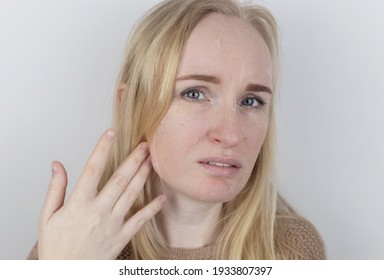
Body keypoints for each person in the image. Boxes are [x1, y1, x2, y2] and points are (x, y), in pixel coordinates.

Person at [27, 0, 325, 260]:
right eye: (194, 93)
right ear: (130, 104)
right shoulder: (72, 245)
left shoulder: (291, 251)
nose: (231, 135)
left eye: (251, 101)